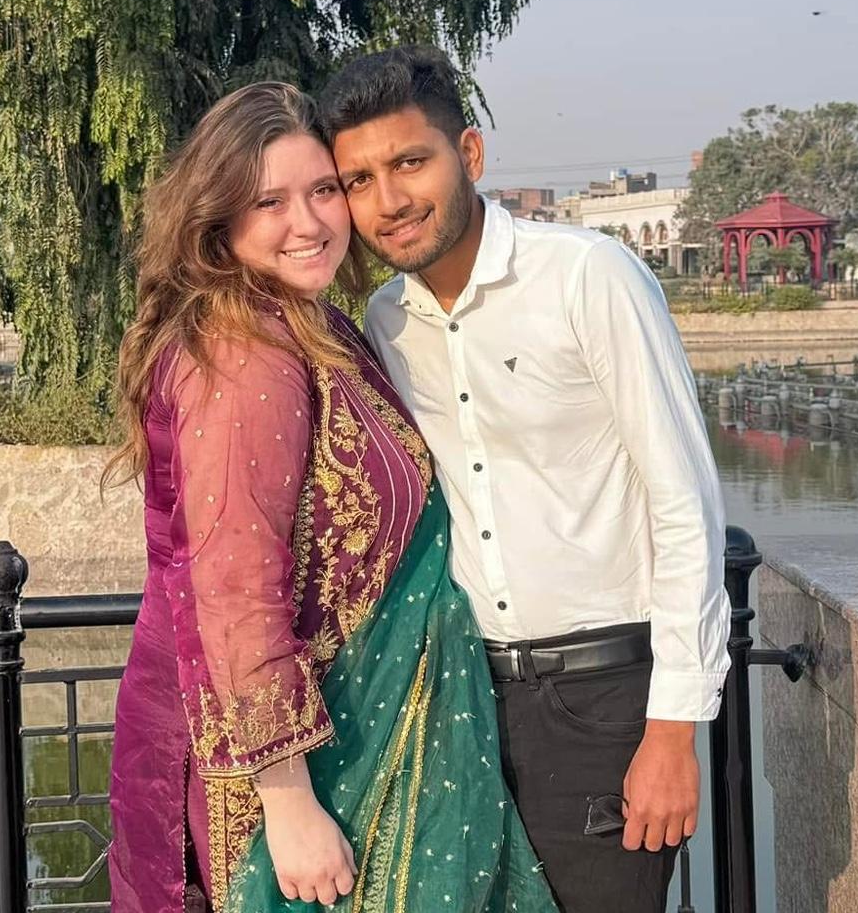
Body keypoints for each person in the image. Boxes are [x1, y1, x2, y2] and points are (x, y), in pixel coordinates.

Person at [105, 81, 559, 913]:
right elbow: (235, 585)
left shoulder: (310, 324)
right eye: (269, 202)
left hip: (360, 734)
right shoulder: (243, 350)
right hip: (290, 773)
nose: (308, 222)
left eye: (323, 190)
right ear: (219, 219)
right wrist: (288, 806)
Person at [321, 46, 733, 913]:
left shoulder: (588, 276)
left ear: (468, 154)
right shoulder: (386, 320)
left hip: (603, 701)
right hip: (459, 701)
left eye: (409, 162)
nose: (389, 200)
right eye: (359, 180)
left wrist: (674, 729)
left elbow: (683, 500)